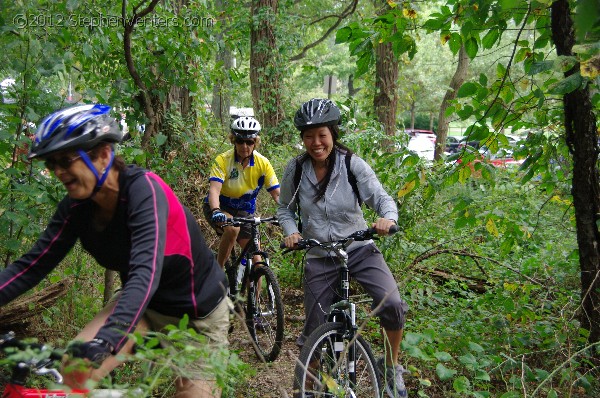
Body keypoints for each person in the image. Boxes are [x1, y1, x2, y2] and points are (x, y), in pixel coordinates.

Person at [0, 104, 229, 398]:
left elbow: (145, 272)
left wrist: (108, 339)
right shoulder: (76, 208)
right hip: (144, 309)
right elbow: (31, 267)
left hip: (198, 317)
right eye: (51, 163)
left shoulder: (144, 190)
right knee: (74, 374)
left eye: (66, 160)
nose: (58, 172)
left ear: (105, 153)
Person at [278, 99, 410, 398]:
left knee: (391, 304)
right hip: (319, 254)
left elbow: (381, 198)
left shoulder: (351, 164)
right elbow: (284, 209)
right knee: (314, 329)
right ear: (302, 139)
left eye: (321, 134)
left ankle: (391, 368)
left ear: (333, 134)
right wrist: (292, 231)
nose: (316, 142)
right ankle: (306, 389)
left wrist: (387, 219)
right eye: (309, 136)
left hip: (359, 248)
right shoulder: (296, 170)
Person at [203, 116, 280, 269]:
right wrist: (216, 210)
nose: (245, 146)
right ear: (233, 141)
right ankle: (218, 273)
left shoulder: (263, 163)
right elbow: (214, 190)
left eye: (249, 142)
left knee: (258, 263)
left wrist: (288, 213)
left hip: (244, 212)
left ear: (255, 142)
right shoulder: (223, 160)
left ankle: (254, 293)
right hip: (220, 207)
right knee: (232, 229)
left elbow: (277, 194)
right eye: (240, 141)